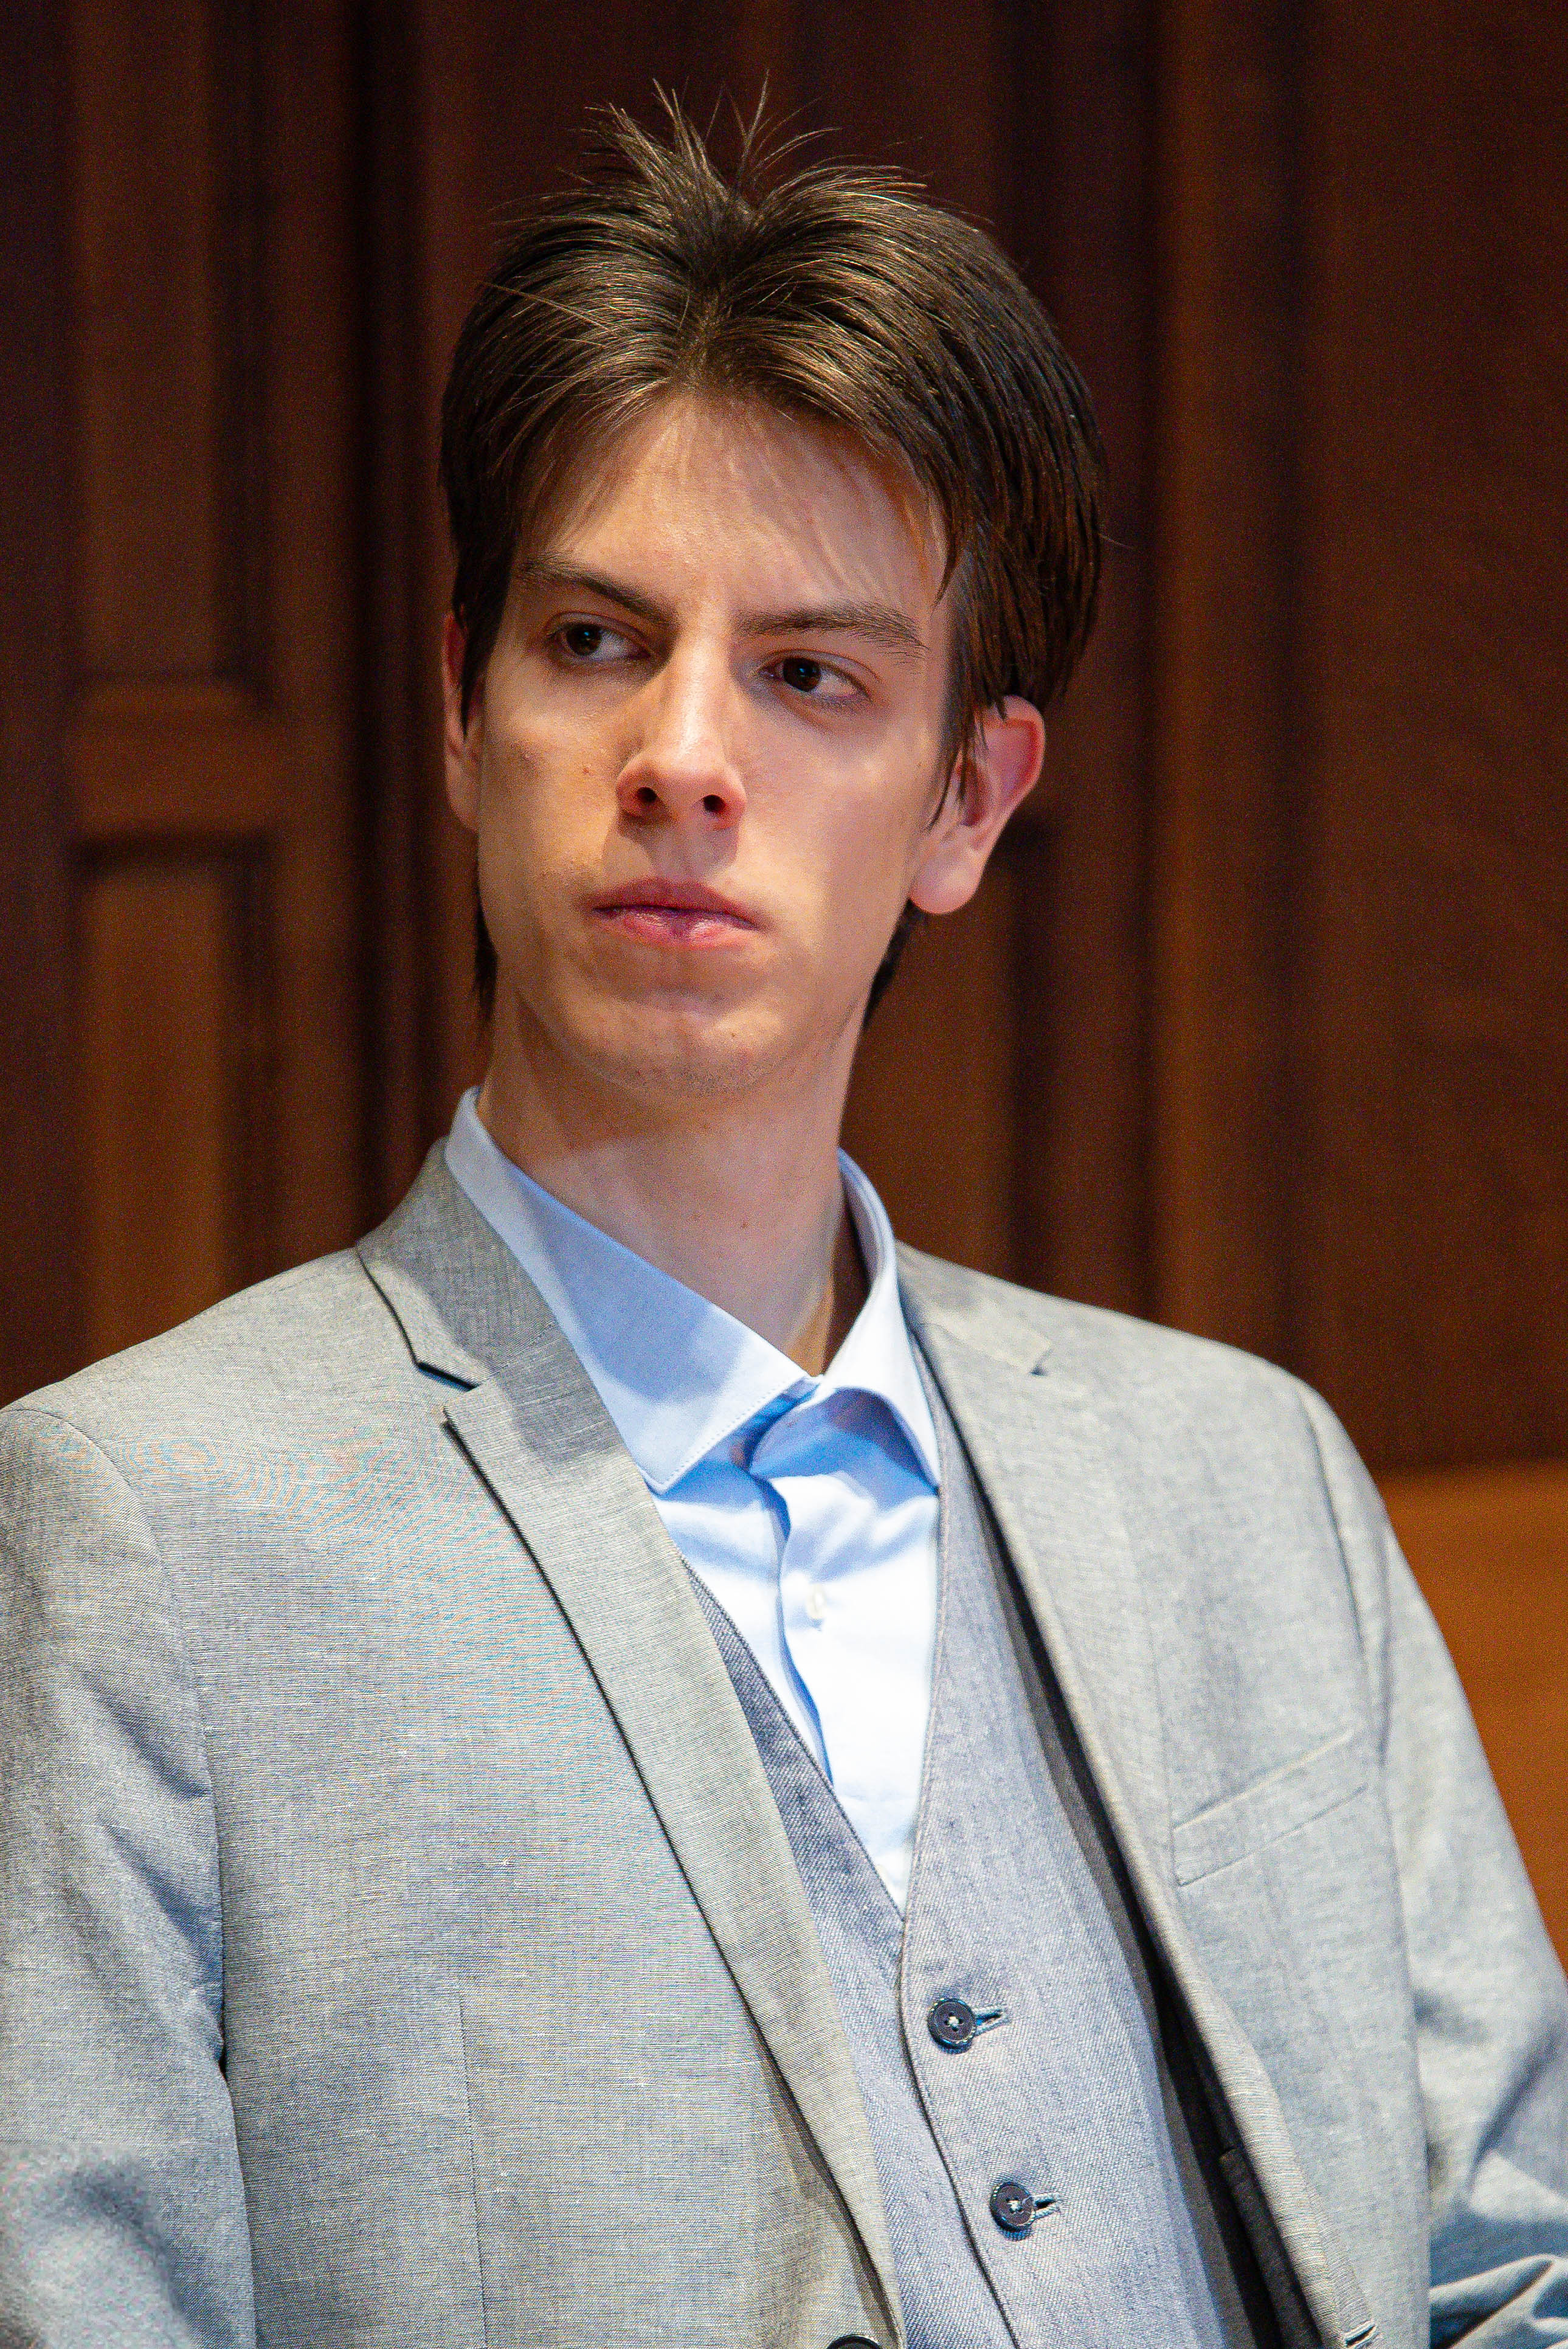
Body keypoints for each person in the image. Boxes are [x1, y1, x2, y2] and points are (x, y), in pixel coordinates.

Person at [2, 104, 1565, 2349]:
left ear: (965, 799)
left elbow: (1517, 2271)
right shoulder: (138, 1534)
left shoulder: (1249, 1480)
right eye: (594, 639)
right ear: (463, 711)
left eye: (810, 673)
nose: (680, 755)